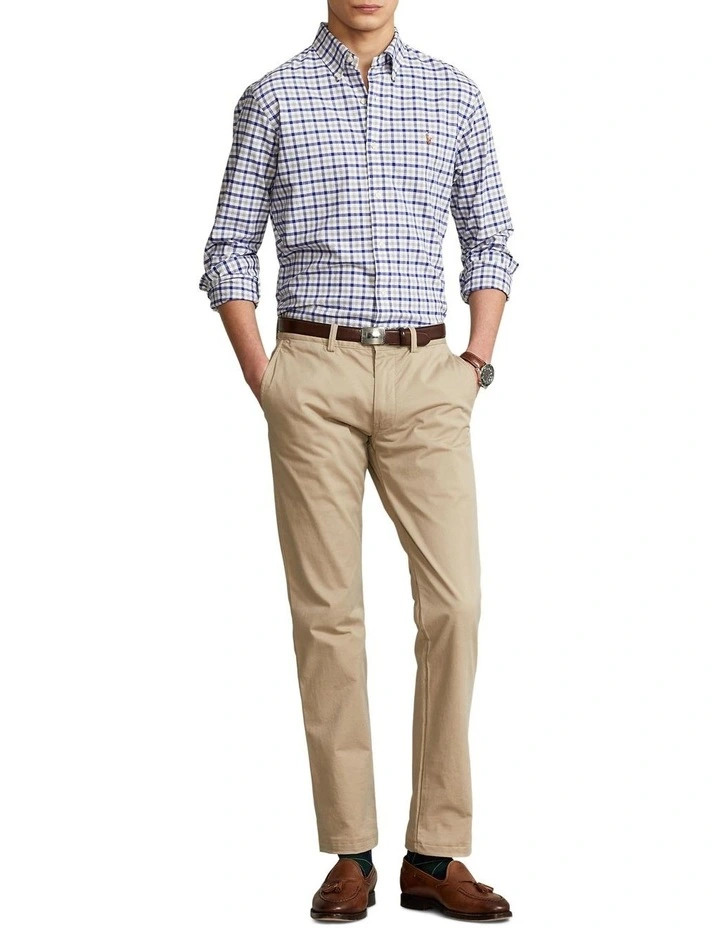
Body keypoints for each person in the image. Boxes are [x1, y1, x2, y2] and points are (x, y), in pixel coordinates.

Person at [198, 1, 518, 920]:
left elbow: (490, 237)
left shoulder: (454, 94)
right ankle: (352, 855)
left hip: (428, 372)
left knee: (455, 604)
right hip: (313, 368)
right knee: (328, 616)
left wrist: (474, 364)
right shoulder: (273, 96)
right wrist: (268, 379)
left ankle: (435, 854)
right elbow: (228, 249)